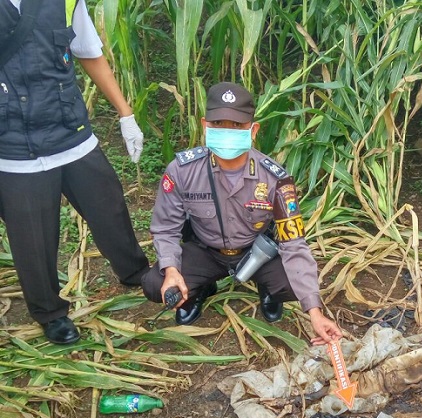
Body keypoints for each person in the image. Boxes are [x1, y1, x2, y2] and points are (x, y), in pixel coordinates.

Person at [142, 82, 342, 346]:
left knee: (297, 286)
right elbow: (166, 228)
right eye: (219, 123)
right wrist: (171, 270)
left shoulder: (275, 179)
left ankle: (268, 289)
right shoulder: (182, 170)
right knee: (155, 283)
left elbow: (293, 242)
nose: (227, 131)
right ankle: (198, 290)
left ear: (253, 129)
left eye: (236, 125)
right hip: (206, 251)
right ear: (205, 125)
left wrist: (314, 313)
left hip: (256, 252)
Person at [0, 0, 150, 345]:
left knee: (109, 206)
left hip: (70, 130)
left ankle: (136, 273)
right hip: (13, 145)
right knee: (32, 239)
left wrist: (125, 113)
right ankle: (50, 313)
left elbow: (89, 51)